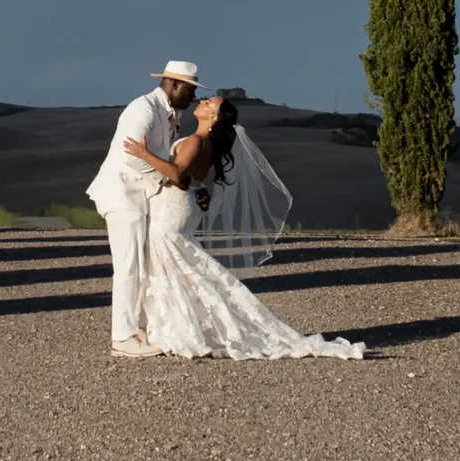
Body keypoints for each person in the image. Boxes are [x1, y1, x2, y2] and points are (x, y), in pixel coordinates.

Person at [125, 93, 366, 360]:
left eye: (209, 104)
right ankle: (174, 325)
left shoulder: (195, 141)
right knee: (180, 267)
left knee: (171, 265)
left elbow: (178, 174)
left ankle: (177, 328)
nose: (202, 102)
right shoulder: (205, 144)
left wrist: (143, 153)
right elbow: (195, 179)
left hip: (172, 210)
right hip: (183, 207)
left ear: (214, 118)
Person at [86, 60, 203, 358]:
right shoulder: (143, 109)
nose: (193, 97)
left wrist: (189, 186)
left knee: (139, 264)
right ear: (174, 85)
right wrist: (169, 179)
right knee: (128, 265)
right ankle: (122, 337)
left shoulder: (169, 115)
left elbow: (170, 162)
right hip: (123, 194)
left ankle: (135, 329)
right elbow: (132, 157)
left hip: (139, 197)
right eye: (190, 90)